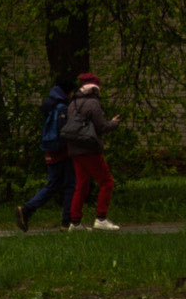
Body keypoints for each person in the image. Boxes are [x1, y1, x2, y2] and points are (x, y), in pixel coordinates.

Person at [61, 71, 123, 230]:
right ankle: (101, 218)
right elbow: (101, 127)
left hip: (74, 149)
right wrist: (114, 123)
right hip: (89, 148)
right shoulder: (93, 104)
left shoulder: (72, 103)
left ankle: (75, 222)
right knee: (107, 181)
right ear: (95, 88)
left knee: (81, 184)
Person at [16, 83, 74, 232]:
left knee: (52, 184)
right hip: (62, 151)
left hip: (50, 149)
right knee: (69, 185)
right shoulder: (62, 107)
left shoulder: (50, 105)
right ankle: (66, 222)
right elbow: (64, 132)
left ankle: (28, 209)